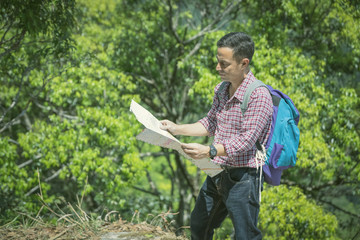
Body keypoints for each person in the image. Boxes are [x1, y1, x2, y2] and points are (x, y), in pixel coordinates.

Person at [160, 32, 273, 240]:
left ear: (244, 63)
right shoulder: (221, 89)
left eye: (224, 63)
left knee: (245, 235)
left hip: (244, 177)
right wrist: (176, 128)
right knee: (199, 225)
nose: (217, 68)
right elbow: (210, 123)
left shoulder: (259, 96)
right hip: (217, 172)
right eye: (217, 61)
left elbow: (247, 141)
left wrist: (210, 150)